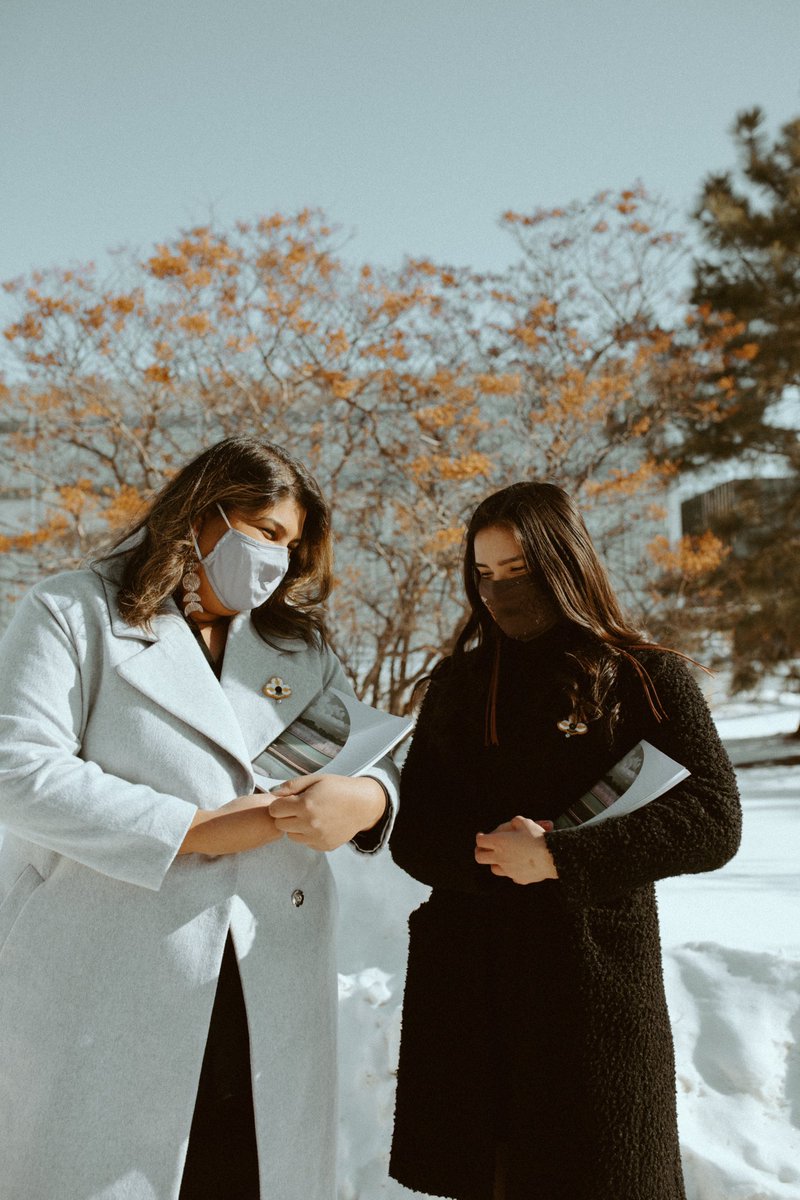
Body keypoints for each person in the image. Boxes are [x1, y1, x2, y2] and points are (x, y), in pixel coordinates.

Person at [0, 436, 397, 1200]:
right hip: (113, 967)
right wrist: (193, 830)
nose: (277, 560)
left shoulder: (296, 645)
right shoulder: (71, 611)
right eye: (266, 532)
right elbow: (19, 768)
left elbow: (372, 750)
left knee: (246, 1171)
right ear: (200, 514)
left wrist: (370, 800)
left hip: (267, 967)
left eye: (291, 546)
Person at [388, 481, 741, 1200]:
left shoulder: (644, 676)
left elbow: (713, 818)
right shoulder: (458, 683)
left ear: (563, 561)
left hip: (591, 991)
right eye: (482, 575)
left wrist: (558, 855)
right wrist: (492, 858)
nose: (497, 591)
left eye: (515, 570)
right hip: (470, 990)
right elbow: (414, 832)